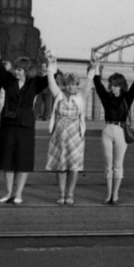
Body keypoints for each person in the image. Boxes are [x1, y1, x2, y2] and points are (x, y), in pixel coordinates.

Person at [0, 32, 49, 204]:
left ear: (27, 71)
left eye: (20, 69)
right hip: (8, 124)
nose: (16, 71)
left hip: (26, 126)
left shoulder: (34, 84)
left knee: (23, 160)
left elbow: (49, 77)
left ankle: (19, 194)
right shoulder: (8, 81)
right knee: (8, 160)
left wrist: (51, 63)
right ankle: (8, 193)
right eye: (16, 68)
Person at [93, 61, 134, 204]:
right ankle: (109, 193)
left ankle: (115, 194)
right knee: (108, 164)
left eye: (116, 85)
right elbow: (97, 84)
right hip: (108, 129)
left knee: (118, 164)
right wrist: (95, 67)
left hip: (121, 131)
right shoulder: (106, 97)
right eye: (111, 85)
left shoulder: (126, 98)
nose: (112, 88)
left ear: (121, 86)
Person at [44, 56, 96, 205]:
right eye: (68, 84)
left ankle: (70, 194)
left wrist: (92, 69)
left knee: (73, 167)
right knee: (61, 166)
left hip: (75, 136)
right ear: (64, 85)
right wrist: (51, 66)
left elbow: (88, 84)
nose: (71, 87)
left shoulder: (81, 97)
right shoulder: (59, 96)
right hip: (59, 136)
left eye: (74, 84)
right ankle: (61, 193)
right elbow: (51, 82)